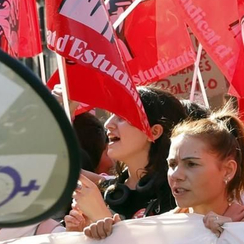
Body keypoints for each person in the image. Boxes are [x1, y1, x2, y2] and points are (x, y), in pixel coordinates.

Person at [85, 110, 244, 239]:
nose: (176, 175)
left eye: (191, 164)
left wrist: (234, 235)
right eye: (172, 165)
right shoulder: (161, 229)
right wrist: (109, 237)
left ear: (228, 170)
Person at [66, 87, 186, 230]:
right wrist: (77, 232)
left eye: (122, 117)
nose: (108, 124)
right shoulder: (105, 192)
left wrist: (102, 217)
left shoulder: (178, 191)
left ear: (154, 132)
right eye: (111, 115)